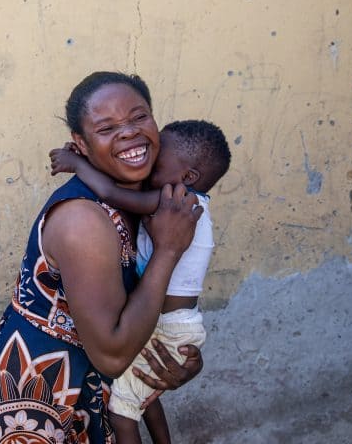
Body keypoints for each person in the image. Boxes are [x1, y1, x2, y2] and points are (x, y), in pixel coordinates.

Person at [0, 71, 205, 444]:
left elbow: (143, 312)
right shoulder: (83, 221)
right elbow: (111, 356)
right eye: (107, 127)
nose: (128, 132)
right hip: (37, 400)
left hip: (95, 394)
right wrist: (169, 250)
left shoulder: (153, 202)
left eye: (139, 117)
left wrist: (178, 358)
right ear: (82, 143)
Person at [49, 119, 232, 443]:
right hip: (174, 324)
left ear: (188, 177)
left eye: (157, 160)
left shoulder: (180, 202)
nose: (147, 164)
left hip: (170, 328)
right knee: (142, 398)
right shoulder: (185, 199)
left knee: (121, 411)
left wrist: (76, 163)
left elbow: (109, 192)